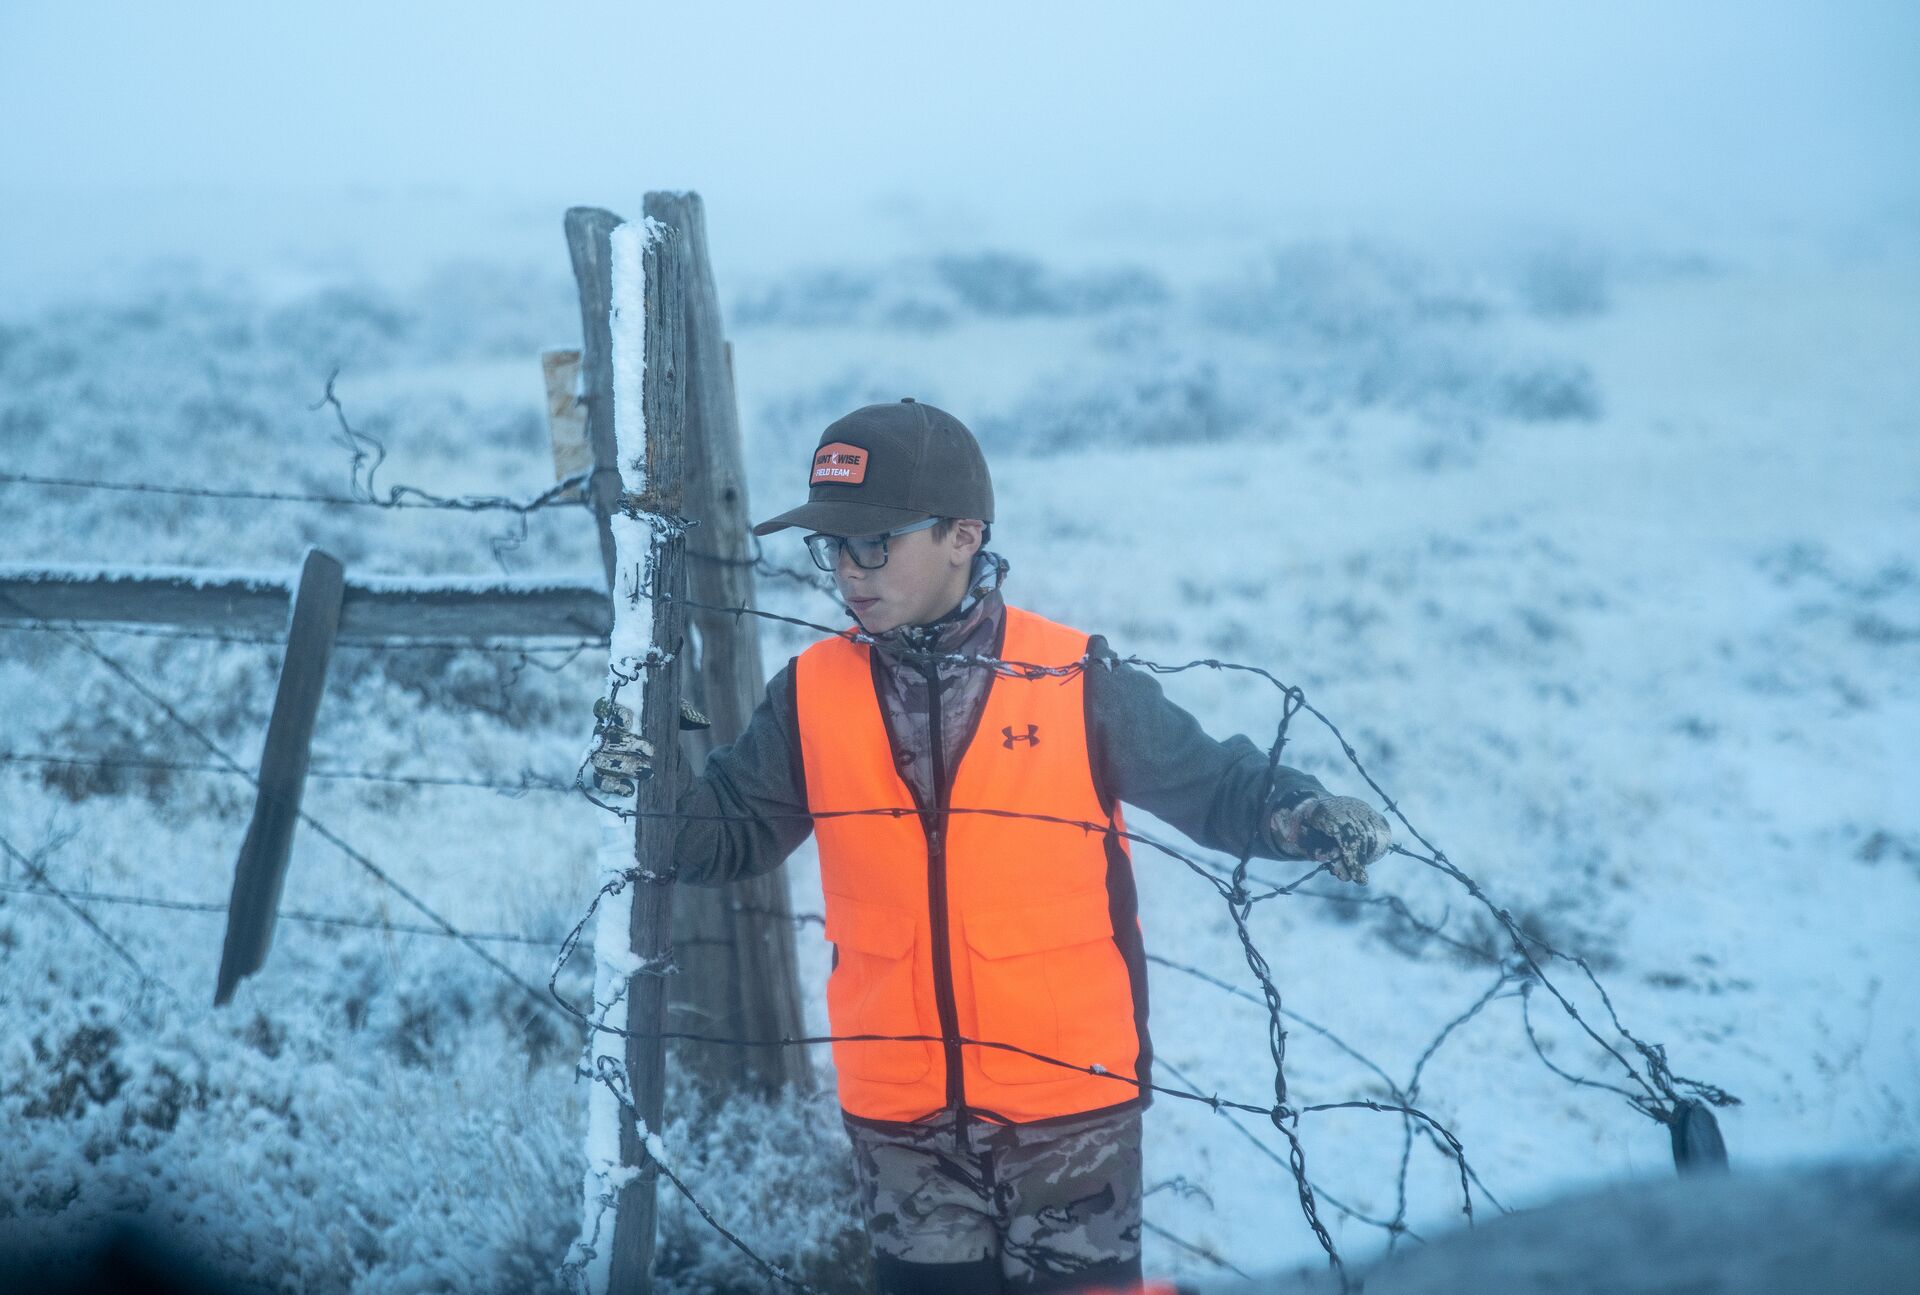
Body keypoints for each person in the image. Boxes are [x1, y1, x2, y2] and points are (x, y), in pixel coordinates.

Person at [590, 399, 1391, 1294]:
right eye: (831, 546)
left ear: (964, 534)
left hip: (1070, 1112)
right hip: (900, 1121)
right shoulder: (811, 692)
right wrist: (644, 782)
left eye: (874, 541)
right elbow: (724, 836)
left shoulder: (1074, 677)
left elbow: (1213, 783)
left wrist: (1300, 814)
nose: (847, 572)